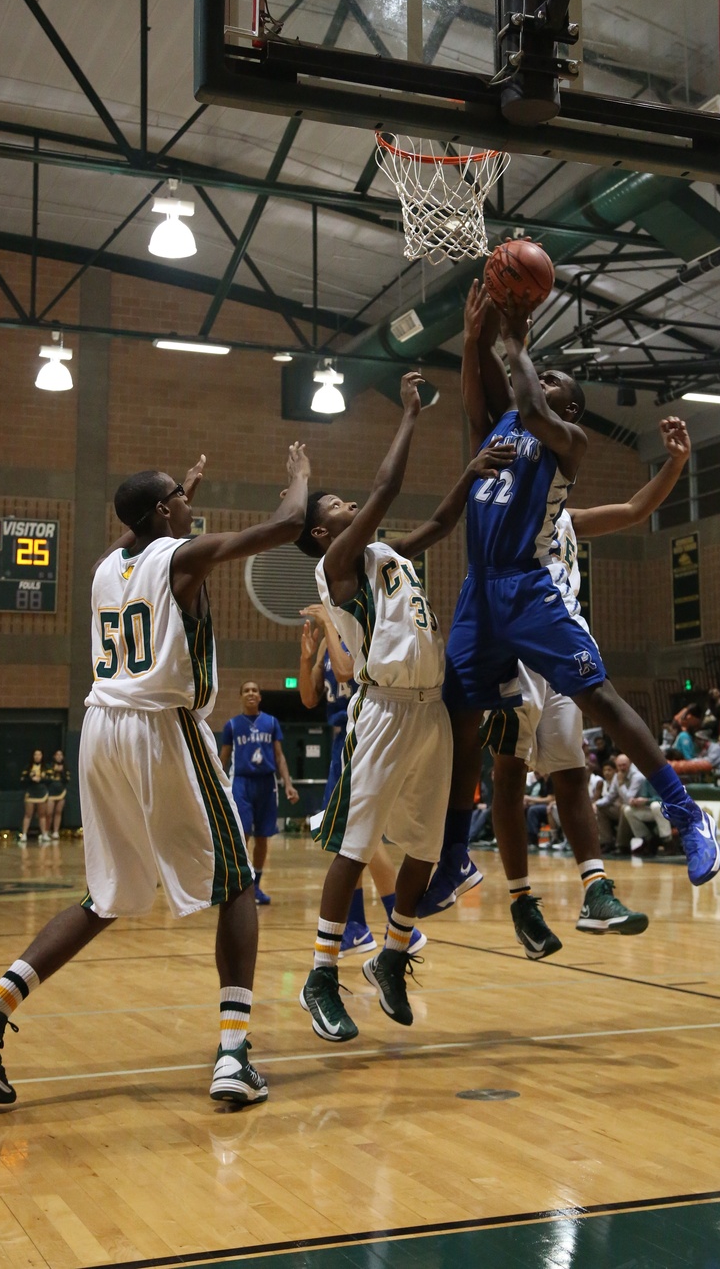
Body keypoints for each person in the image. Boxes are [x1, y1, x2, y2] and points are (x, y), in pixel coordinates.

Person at [0, 444, 310, 1109]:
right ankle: (234, 1054)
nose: (186, 502)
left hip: (102, 730)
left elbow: (143, 538)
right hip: (159, 728)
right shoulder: (179, 558)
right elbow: (288, 525)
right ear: (162, 512)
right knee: (236, 883)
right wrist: (298, 477)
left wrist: (185, 493)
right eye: (177, 497)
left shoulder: (105, 569)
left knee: (106, 896)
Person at [426, 280, 715, 936]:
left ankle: (659, 834)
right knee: (481, 749)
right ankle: (493, 881)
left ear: (570, 406)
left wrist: (513, 342)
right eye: (541, 371)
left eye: (553, 378)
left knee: (574, 759)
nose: (540, 376)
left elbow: (637, 508)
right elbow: (488, 407)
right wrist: (476, 338)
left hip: (537, 609)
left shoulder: (563, 466)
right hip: (489, 601)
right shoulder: (503, 434)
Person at [296, 372, 515, 1042]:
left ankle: (393, 955)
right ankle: (321, 974)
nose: (349, 504)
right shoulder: (337, 561)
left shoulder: (387, 551)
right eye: (334, 503)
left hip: (430, 710)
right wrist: (411, 414)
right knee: (356, 849)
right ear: (319, 530)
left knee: (422, 848)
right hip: (383, 711)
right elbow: (388, 488)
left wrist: (472, 470)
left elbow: (442, 522)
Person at [299, 603, 427, 959]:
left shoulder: (357, 633)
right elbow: (310, 699)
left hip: (362, 734)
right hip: (339, 742)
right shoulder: (328, 638)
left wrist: (327, 622)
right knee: (350, 837)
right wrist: (307, 657)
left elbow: (343, 673)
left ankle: (397, 924)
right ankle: (358, 927)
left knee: (359, 837)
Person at [219, 681, 297, 906]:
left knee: (263, 837)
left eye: (255, 690)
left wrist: (288, 784)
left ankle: (256, 886)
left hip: (267, 783)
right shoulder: (231, 725)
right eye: (246, 691)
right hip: (241, 783)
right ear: (241, 697)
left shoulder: (271, 723)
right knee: (242, 835)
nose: (251, 693)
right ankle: (241, 884)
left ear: (260, 697)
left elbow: (279, 756)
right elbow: (223, 758)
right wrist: (216, 787)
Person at [19, 749, 51, 844]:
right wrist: (31, 779)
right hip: (31, 792)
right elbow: (22, 780)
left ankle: (44, 833)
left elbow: (50, 780)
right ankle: (24, 834)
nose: (37, 757)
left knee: (42, 815)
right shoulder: (28, 768)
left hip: (42, 792)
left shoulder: (46, 767)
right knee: (28, 814)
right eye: (35, 755)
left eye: (39, 754)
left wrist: (40, 779)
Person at [46, 749, 68, 840]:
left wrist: (62, 772)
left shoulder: (65, 767)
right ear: (54, 756)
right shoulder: (49, 766)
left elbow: (67, 779)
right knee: (49, 813)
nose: (59, 757)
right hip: (51, 792)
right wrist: (54, 771)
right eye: (57, 755)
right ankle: (46, 831)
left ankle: (56, 831)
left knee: (58, 812)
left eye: (61, 755)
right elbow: (46, 778)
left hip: (61, 792)